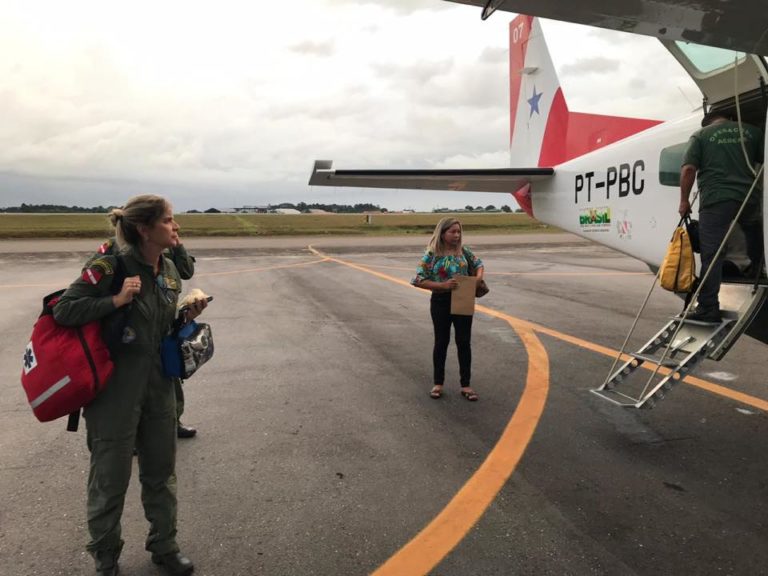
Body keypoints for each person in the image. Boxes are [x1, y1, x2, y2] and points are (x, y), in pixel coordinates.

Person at [53, 195, 207, 576]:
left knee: (162, 474)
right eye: (168, 221)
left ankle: (165, 547)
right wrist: (116, 299)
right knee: (110, 480)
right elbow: (65, 309)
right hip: (115, 391)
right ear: (144, 228)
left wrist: (186, 315)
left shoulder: (168, 267)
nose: (175, 227)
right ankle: (106, 558)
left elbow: (159, 323)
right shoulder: (111, 265)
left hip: (159, 386)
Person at [87, 237, 199, 439]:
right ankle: (133, 435)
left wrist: (177, 244)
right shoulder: (115, 245)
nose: (173, 226)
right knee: (132, 386)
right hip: (131, 324)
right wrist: (118, 294)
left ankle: (172, 421)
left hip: (161, 320)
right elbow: (91, 274)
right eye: (165, 220)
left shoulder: (167, 245)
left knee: (169, 375)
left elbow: (187, 271)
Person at [679, 110, 764, 323]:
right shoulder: (753, 132)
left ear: (707, 122)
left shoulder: (701, 135)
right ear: (730, 120)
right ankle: (758, 272)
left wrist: (684, 200)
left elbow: (689, 169)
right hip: (749, 197)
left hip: (716, 198)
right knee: (753, 232)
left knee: (712, 254)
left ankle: (708, 308)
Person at [412, 217, 484, 401]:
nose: (456, 235)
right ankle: (438, 383)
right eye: (452, 231)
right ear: (442, 233)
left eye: (458, 231)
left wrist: (476, 280)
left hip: (463, 298)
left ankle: (466, 385)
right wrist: (442, 286)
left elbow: (479, 264)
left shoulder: (464, 251)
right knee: (441, 342)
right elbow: (418, 280)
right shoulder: (432, 254)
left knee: (464, 342)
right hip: (440, 301)